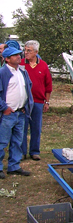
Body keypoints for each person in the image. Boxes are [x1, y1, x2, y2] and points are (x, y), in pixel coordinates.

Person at [0, 47, 33, 179]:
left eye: (19, 54)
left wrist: (25, 105)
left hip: (20, 113)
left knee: (17, 141)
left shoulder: (22, 72)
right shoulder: (2, 73)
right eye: (14, 55)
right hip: (8, 114)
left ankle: (14, 166)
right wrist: (4, 108)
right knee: (2, 142)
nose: (19, 57)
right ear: (7, 59)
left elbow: (27, 89)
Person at [20, 40, 52, 161]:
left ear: (36, 52)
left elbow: (48, 85)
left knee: (36, 127)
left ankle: (34, 151)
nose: (26, 52)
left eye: (29, 51)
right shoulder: (21, 64)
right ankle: (22, 151)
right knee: (22, 126)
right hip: (24, 102)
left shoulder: (43, 65)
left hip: (38, 101)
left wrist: (47, 101)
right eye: (25, 50)